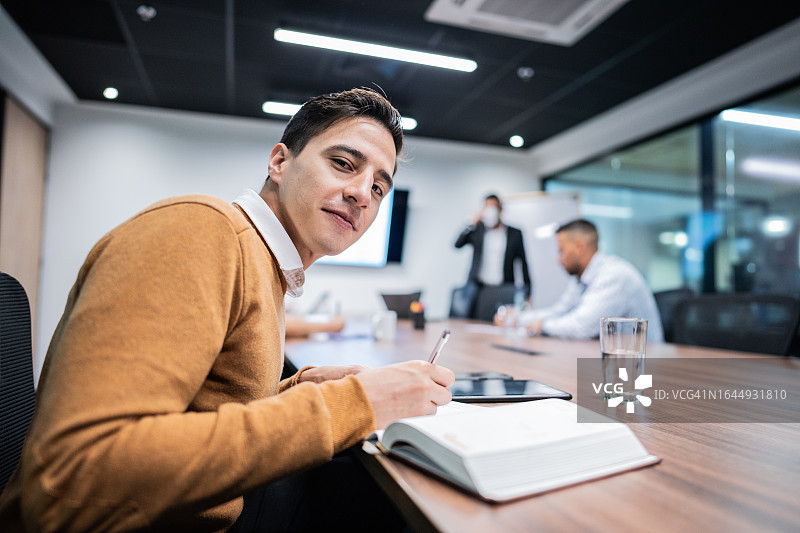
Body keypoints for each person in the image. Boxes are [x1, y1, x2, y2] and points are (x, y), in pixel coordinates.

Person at [0, 88, 455, 532]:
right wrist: (357, 403)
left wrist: (299, 387)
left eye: (379, 187)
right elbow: (77, 477)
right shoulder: (200, 230)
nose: (362, 193)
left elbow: (197, 412)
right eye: (343, 164)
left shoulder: (264, 262)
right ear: (280, 161)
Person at [496, 219, 664, 342]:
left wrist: (543, 326)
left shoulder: (614, 275)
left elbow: (582, 326)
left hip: (645, 368)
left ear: (580, 247)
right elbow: (560, 311)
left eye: (561, 251)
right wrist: (518, 318)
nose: (558, 259)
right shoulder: (582, 278)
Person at [454, 194, 532, 318]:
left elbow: (523, 264)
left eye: (494, 207)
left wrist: (528, 293)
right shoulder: (477, 230)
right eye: (487, 207)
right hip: (478, 288)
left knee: (501, 323)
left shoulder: (515, 233)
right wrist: (471, 222)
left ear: (500, 209)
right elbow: (457, 244)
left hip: (503, 288)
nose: (490, 211)